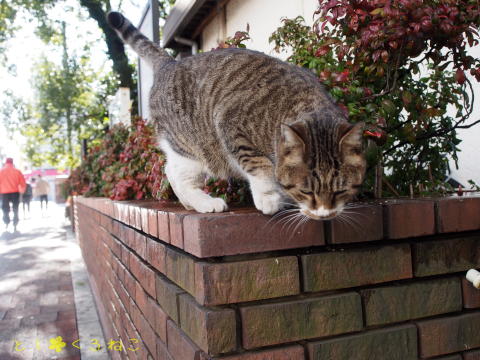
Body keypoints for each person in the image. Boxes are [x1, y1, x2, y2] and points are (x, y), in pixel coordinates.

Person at [0, 158, 26, 232]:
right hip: (15, 192)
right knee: (15, 207)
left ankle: (6, 220)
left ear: (6, 163)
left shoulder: (1, 171)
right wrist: (22, 191)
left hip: (4, 192)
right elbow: (22, 182)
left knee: (5, 208)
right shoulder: (17, 171)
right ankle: (15, 221)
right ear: (12, 162)